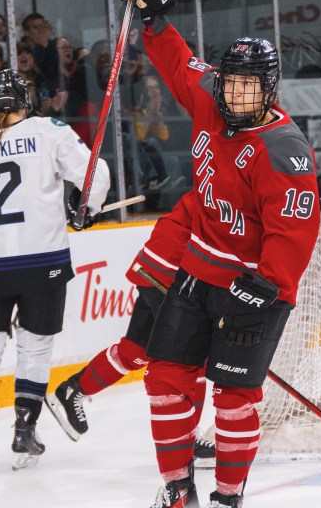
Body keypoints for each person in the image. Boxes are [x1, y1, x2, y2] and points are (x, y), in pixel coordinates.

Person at [116, 0, 321, 508]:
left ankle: (227, 503)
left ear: (269, 90)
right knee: (165, 377)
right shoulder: (212, 96)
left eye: (246, 87)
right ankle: (179, 492)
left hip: (255, 287)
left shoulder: (283, 148)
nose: (234, 94)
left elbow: (294, 229)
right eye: (229, 84)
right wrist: (153, 18)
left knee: (234, 398)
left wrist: (271, 282)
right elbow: (180, 64)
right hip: (197, 271)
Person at [0, 69, 111, 474]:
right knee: (34, 348)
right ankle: (24, 429)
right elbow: (95, 174)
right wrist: (84, 209)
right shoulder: (48, 130)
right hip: (43, 263)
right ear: (26, 100)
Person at [46, 190, 217, 466]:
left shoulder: (224, 171)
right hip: (172, 269)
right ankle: (188, 438)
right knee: (193, 358)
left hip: (156, 264)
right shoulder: (236, 185)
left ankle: (73, 390)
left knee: (136, 349)